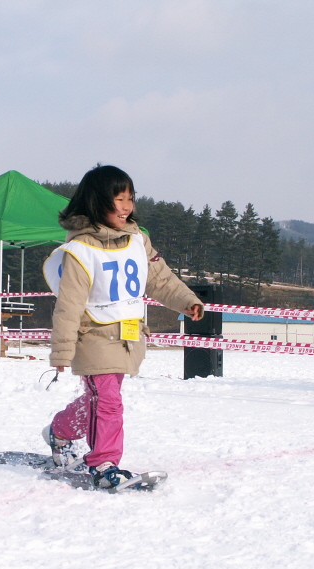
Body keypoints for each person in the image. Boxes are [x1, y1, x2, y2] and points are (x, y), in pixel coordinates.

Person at [41, 165, 204, 488]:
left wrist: (186, 300)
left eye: (130, 198)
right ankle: (103, 463)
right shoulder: (80, 251)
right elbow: (69, 305)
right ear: (97, 202)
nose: (127, 206)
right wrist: (62, 349)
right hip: (93, 337)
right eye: (119, 199)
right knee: (109, 401)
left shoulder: (136, 239)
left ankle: (59, 432)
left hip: (127, 336)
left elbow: (159, 278)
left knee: (100, 399)